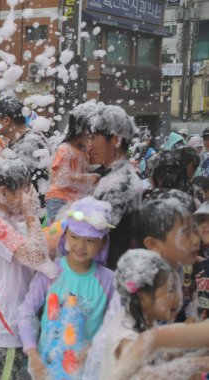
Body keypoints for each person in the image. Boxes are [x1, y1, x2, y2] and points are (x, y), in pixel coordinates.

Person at [0, 159, 56, 380]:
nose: (30, 196)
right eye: (24, 189)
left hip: (11, 326)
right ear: (3, 192)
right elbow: (38, 257)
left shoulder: (6, 221)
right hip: (4, 328)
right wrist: (30, 215)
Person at [19, 197, 115, 380]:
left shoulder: (109, 280)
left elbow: (117, 323)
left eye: (90, 240)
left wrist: (96, 347)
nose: (80, 246)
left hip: (88, 371)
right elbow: (26, 312)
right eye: (74, 237)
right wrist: (32, 353)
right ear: (65, 236)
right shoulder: (50, 272)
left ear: (103, 242)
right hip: (47, 368)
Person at [93, 249, 209, 380]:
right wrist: (196, 363)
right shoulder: (126, 337)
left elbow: (164, 356)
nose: (178, 297)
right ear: (143, 298)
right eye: (170, 290)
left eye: (177, 289)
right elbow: (145, 375)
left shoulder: (147, 323)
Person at [86, 104, 142, 269]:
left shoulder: (123, 182)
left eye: (94, 137)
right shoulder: (107, 174)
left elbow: (96, 230)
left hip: (112, 272)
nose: (89, 145)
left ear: (116, 140)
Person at [0, 95, 50, 206]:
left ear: (7, 120)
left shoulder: (30, 143)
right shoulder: (17, 140)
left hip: (34, 210)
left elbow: (15, 179)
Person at [45, 102, 102, 221]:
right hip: (59, 199)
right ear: (80, 130)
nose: (91, 137)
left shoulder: (84, 152)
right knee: (62, 232)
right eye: (89, 133)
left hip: (75, 200)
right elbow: (61, 177)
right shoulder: (65, 149)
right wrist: (88, 178)